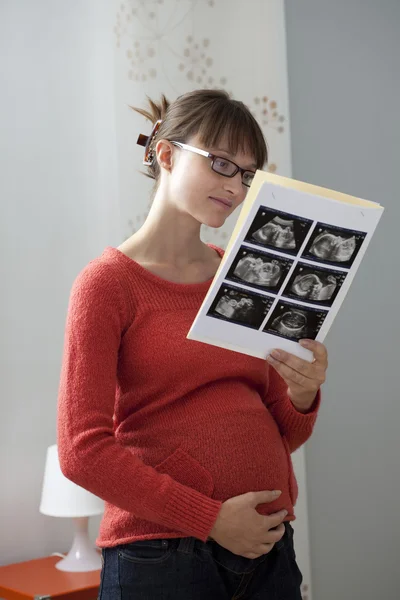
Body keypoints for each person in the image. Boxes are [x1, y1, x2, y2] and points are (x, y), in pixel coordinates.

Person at [57, 89, 328, 600]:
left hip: (268, 551)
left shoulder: (243, 275)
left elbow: (282, 431)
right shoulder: (107, 285)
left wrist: (302, 395)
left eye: (247, 174)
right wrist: (209, 519)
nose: (235, 186)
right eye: (222, 164)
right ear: (166, 154)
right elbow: (81, 450)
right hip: (163, 557)